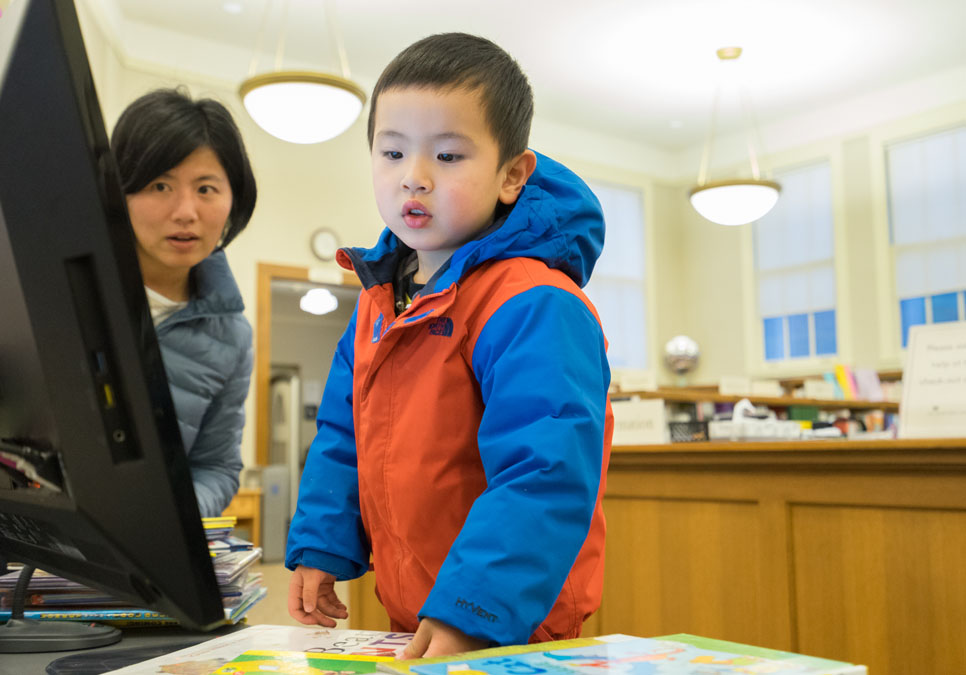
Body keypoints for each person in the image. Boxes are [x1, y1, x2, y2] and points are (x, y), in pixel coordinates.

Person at [285, 33, 613, 657]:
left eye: (449, 156)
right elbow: (342, 434)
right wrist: (322, 543)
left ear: (512, 174)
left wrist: (476, 610)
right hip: (413, 614)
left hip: (512, 623)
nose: (415, 178)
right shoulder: (377, 304)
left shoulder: (533, 303)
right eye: (392, 152)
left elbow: (543, 470)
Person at [110, 88, 257, 518]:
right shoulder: (62, 289)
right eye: (160, 185)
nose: (186, 211)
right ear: (119, 191)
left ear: (233, 201)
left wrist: (165, 519)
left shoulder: (231, 338)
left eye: (207, 188)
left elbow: (216, 466)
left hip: (143, 559)